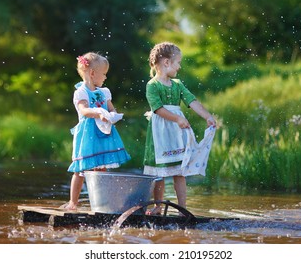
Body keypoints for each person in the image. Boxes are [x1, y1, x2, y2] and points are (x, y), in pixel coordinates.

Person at [143, 42, 216, 215]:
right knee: (160, 172)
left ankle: (182, 207)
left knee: (179, 170)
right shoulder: (152, 85)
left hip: (177, 132)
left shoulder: (177, 84)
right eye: (178, 63)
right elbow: (158, 108)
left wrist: (207, 116)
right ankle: (158, 206)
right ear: (166, 62)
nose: (180, 66)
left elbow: (191, 101)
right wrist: (177, 118)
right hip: (160, 132)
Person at [64, 52, 131, 210]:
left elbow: (112, 109)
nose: (105, 78)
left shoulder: (104, 92)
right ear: (92, 73)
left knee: (102, 167)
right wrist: (99, 113)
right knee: (81, 168)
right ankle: (73, 202)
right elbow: (84, 110)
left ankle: (103, 202)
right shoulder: (80, 92)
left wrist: (113, 115)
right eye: (104, 74)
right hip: (88, 135)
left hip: (103, 134)